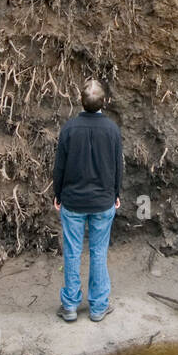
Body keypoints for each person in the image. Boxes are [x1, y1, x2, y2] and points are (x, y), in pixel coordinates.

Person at [53, 79, 122, 323]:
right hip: (103, 201)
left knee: (72, 252)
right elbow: (117, 166)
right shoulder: (112, 130)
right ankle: (98, 306)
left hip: (72, 201)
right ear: (105, 102)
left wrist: (58, 195)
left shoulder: (69, 129)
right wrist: (116, 194)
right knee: (98, 252)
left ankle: (70, 306)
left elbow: (59, 166)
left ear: (80, 101)